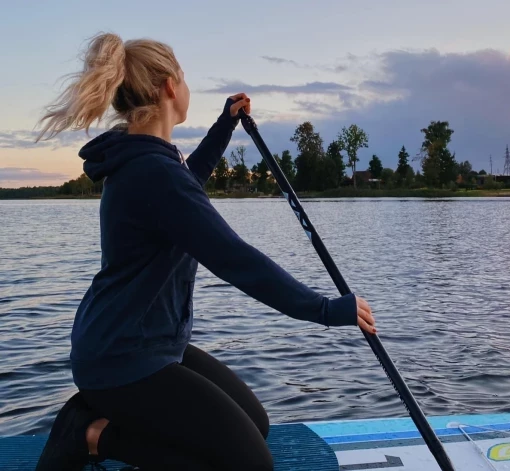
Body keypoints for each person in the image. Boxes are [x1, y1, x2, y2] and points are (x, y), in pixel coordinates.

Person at [33, 32, 376, 471]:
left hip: (145, 343)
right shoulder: (152, 171)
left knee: (257, 424)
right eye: (186, 78)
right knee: (251, 465)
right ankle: (95, 436)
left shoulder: (150, 163)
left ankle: (108, 421)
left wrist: (224, 125)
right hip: (121, 360)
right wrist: (326, 309)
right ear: (169, 87)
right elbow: (236, 259)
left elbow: (186, 185)